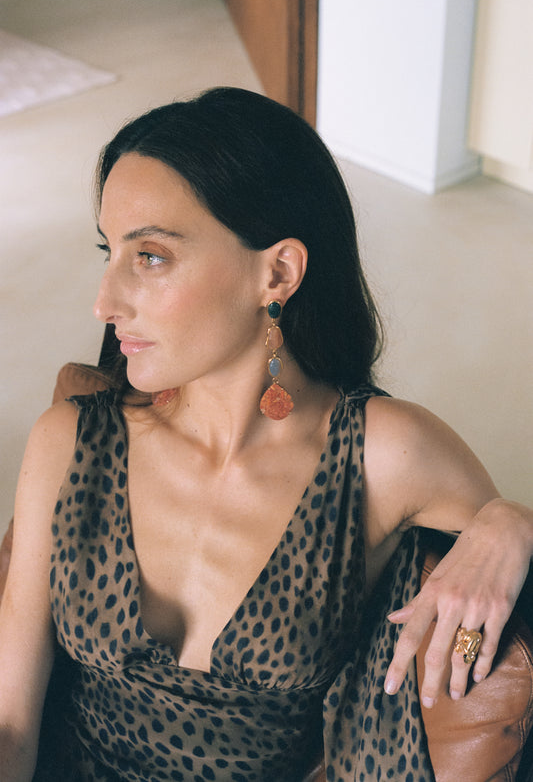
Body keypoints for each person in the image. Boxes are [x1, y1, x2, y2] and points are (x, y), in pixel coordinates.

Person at [0, 86, 531, 782]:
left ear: (276, 272)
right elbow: (11, 724)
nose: (104, 302)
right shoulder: (68, 443)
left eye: (150, 256)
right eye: (110, 250)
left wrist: (513, 522)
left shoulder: (384, 454)